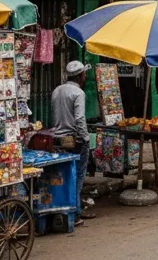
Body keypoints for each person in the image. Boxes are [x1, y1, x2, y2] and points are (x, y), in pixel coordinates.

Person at [51, 60, 96, 222]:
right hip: (74, 139)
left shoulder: (57, 90)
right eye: (83, 74)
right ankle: (74, 212)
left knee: (62, 174)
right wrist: (85, 138)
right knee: (77, 175)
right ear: (80, 76)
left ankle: (63, 208)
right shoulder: (78, 93)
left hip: (57, 138)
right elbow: (79, 119)